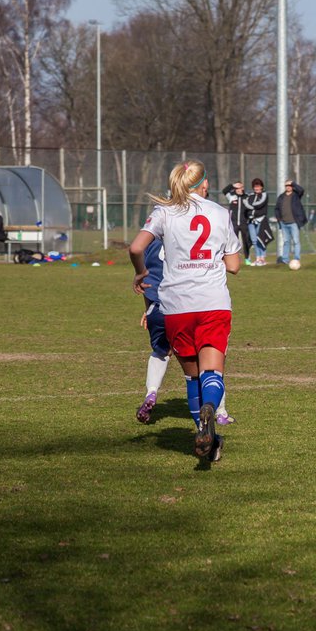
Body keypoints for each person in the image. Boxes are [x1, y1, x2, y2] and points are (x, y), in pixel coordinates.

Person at [129, 160, 241, 462]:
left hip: (176, 306)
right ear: (204, 184)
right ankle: (211, 413)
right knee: (212, 373)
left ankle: (206, 439)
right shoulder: (220, 213)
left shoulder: (163, 213)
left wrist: (140, 274)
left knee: (192, 379)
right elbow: (234, 266)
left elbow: (137, 248)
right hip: (213, 303)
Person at [135, 237, 234, 427]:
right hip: (187, 305)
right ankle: (220, 412)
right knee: (210, 359)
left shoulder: (151, 242)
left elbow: (145, 277)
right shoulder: (186, 238)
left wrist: (148, 309)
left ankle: (151, 393)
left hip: (157, 306)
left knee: (161, 351)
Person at [275, 179, 306, 265]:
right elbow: (277, 209)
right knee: (286, 242)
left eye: (290, 185)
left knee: (296, 241)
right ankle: (285, 260)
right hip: (284, 223)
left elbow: (301, 190)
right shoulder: (281, 197)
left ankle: (296, 259)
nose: (288, 187)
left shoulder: (296, 195)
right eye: (286, 185)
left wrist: (293, 183)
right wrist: (279, 219)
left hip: (294, 223)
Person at [222, 181, 253, 259]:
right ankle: (234, 258)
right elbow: (224, 191)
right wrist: (232, 185)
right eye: (237, 188)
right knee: (233, 241)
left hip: (244, 223)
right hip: (234, 223)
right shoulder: (231, 196)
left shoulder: (247, 197)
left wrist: (249, 217)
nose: (239, 189)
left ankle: (247, 258)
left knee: (246, 241)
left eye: (241, 187)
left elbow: (250, 208)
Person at [244, 178, 270, 266]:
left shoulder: (264, 195)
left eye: (258, 186)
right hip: (251, 221)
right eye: (255, 186)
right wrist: (250, 206)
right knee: (254, 240)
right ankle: (258, 258)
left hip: (261, 220)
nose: (256, 188)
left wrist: (250, 206)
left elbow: (260, 204)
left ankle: (262, 258)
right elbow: (245, 204)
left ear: (261, 187)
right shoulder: (250, 196)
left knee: (260, 239)